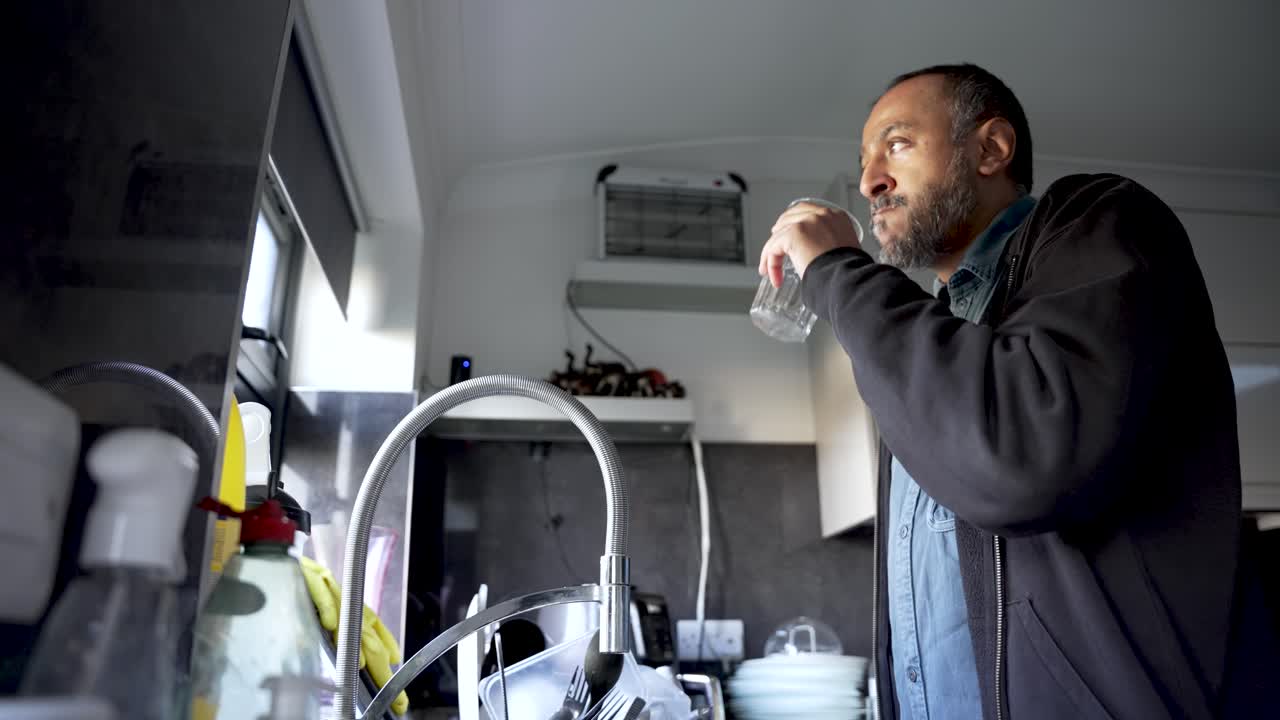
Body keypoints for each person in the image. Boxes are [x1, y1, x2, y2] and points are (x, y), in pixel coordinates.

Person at [758, 63, 1275, 719]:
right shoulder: (937, 339)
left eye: (897, 144)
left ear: (991, 150)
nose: (869, 182)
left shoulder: (1102, 222)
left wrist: (837, 271)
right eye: (863, 161)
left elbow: (1022, 457)